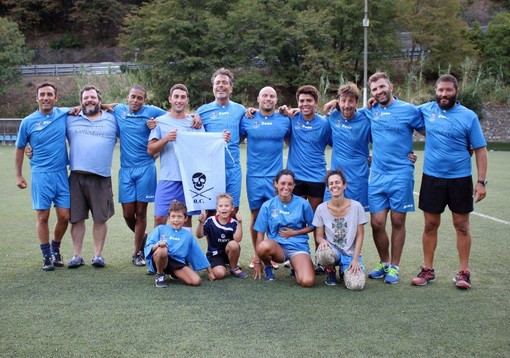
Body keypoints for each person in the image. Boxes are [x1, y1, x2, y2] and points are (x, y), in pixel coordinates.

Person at [411, 74, 488, 289]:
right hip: (432, 178)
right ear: (435, 91)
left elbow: (480, 150)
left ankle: (463, 272)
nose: (444, 94)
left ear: (457, 91)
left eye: (448, 90)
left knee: (461, 225)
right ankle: (428, 270)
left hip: (460, 179)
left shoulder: (469, 116)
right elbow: (400, 112)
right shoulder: (426, 110)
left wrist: (481, 182)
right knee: (430, 224)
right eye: (440, 90)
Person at [364, 72, 424, 284]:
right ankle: (384, 262)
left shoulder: (409, 110)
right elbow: (347, 110)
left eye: (382, 87)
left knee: (398, 220)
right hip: (378, 175)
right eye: (374, 90)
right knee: (377, 223)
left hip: (401, 174)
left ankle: (395, 267)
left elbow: (430, 131)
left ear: (391, 86)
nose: (379, 92)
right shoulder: (371, 111)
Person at [15, 82, 71, 271]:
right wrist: (18, 175)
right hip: (41, 175)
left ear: (56, 98)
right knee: (43, 216)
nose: (46, 97)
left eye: (49, 94)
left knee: (64, 216)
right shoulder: (28, 122)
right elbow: (21, 148)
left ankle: (56, 249)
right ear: (36, 98)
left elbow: (87, 106)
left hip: (61, 173)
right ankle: (46, 256)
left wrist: (106, 106)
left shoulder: (63, 114)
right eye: (42, 94)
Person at [112, 85, 167, 267]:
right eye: (133, 97)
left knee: (141, 212)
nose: (136, 101)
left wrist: (157, 124)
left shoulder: (152, 112)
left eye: (139, 98)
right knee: (128, 214)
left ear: (145, 100)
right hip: (126, 170)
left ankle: (137, 253)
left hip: (145, 168)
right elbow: (103, 106)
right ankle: (142, 236)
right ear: (127, 98)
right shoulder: (119, 110)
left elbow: (173, 115)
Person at [66, 85, 118, 269]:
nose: (89, 100)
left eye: (93, 97)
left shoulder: (112, 119)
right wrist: (31, 150)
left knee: (100, 218)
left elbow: (126, 108)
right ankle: (77, 255)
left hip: (101, 177)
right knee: (77, 218)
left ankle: (98, 255)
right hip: (76, 177)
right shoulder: (70, 118)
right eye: (86, 98)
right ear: (80, 102)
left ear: (100, 100)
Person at [239, 86, 291, 269]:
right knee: (255, 215)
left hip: (275, 178)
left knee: (275, 217)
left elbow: (292, 141)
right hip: (254, 176)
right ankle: (257, 254)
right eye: (265, 96)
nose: (268, 99)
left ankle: (273, 255)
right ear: (258, 99)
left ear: (276, 100)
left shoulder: (285, 120)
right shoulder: (247, 119)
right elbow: (234, 141)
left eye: (272, 96)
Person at [147, 84, 206, 230]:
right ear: (170, 99)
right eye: (176, 97)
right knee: (160, 217)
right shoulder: (160, 122)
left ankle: (182, 252)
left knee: (185, 218)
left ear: (187, 101)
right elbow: (151, 149)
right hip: (168, 177)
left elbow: (205, 148)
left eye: (183, 97)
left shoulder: (195, 123)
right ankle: (157, 251)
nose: (179, 100)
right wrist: (166, 138)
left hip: (189, 179)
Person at [253, 169, 315, 287]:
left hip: (297, 247)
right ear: (276, 184)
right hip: (277, 248)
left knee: (307, 282)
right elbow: (260, 234)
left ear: (294, 186)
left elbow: (313, 226)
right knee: (263, 246)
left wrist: (295, 233)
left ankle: (296, 265)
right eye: (282, 183)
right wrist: (257, 260)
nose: (286, 187)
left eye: (290, 184)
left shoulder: (303, 204)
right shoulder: (267, 205)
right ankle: (268, 266)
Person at [196, 68, 246, 213]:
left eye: (225, 82)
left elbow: (242, 134)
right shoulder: (202, 111)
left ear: (231, 88)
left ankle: (230, 237)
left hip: (233, 168)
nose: (221, 85)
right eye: (218, 82)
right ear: (213, 87)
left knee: (232, 210)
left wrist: (232, 141)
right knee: (211, 211)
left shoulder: (240, 110)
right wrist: (194, 117)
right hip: (211, 169)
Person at [313, 169, 368, 286]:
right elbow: (318, 236)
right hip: (333, 252)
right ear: (328, 187)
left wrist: (355, 259)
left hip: (350, 254)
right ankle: (330, 271)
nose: (334, 186)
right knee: (324, 253)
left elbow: (360, 235)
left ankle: (344, 271)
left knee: (356, 285)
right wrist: (322, 241)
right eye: (331, 183)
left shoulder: (357, 206)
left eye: (337, 182)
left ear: (344, 185)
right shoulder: (321, 209)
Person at [144, 200, 216, 288]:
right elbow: (148, 246)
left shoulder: (187, 236)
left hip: (177, 263)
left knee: (196, 281)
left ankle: (174, 274)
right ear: (169, 217)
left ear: (185, 218)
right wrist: (157, 245)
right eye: (173, 216)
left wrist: (210, 271)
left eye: (179, 216)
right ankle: (160, 275)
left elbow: (197, 253)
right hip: (160, 259)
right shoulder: (160, 229)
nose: (176, 220)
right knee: (162, 250)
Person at [323, 83, 371, 211]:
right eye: (343, 101)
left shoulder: (366, 120)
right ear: (338, 101)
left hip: (358, 180)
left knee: (354, 221)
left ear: (357, 103)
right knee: (330, 219)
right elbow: (313, 119)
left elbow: (383, 138)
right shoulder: (333, 117)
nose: (346, 105)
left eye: (350, 101)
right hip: (335, 180)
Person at [196, 193, 247, 279]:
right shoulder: (210, 221)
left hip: (228, 252)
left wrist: (240, 223)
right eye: (221, 206)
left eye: (226, 206)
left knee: (234, 245)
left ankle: (233, 267)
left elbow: (237, 239)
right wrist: (201, 223)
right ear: (217, 208)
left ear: (232, 208)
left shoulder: (233, 222)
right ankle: (213, 266)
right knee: (220, 274)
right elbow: (199, 235)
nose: (223, 208)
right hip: (215, 254)